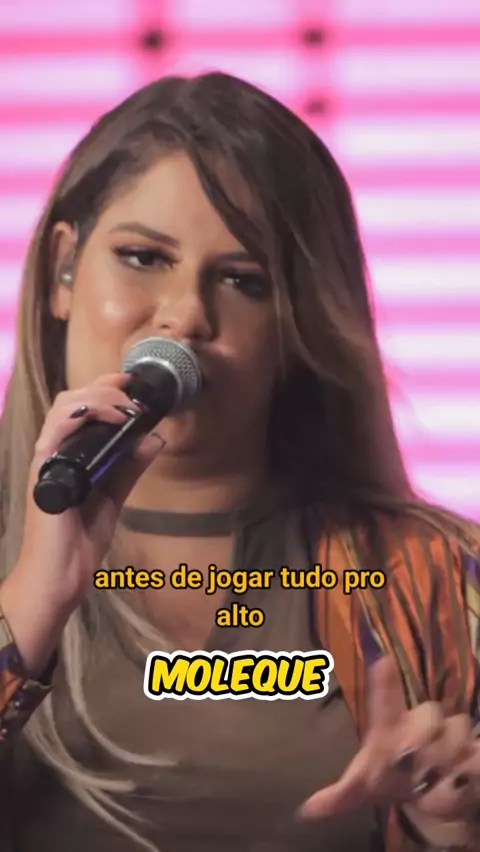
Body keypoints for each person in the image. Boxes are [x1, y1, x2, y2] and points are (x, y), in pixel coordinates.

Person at [0, 71, 479, 852]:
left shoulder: (441, 580)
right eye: (143, 257)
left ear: (299, 327)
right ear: (63, 269)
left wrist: (450, 831)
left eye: (241, 280)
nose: (186, 315)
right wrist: (30, 604)